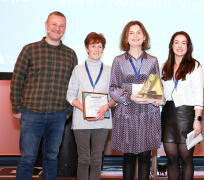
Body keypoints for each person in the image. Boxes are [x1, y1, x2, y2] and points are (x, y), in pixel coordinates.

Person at [10, 11, 78, 180]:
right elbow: (17, 80)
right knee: (27, 158)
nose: (58, 28)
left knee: (52, 158)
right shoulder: (29, 50)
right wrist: (17, 108)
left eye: (61, 25)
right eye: (54, 24)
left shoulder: (70, 54)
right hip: (31, 113)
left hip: (58, 114)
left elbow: (74, 86)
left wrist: (68, 111)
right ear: (46, 26)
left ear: (65, 29)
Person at [109, 21, 161, 180]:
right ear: (126, 38)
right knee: (129, 156)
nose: (135, 36)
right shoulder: (118, 60)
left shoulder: (153, 60)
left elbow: (157, 86)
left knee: (145, 156)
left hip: (147, 112)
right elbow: (112, 88)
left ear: (144, 37)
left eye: (139, 32)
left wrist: (157, 98)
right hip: (126, 111)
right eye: (131, 33)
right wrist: (128, 96)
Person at [66, 32, 116, 180]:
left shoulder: (109, 70)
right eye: (93, 46)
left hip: (102, 121)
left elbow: (115, 96)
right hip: (82, 121)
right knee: (83, 160)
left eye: (100, 46)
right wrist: (84, 109)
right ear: (86, 48)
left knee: (96, 160)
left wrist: (107, 105)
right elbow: (70, 95)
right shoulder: (78, 69)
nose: (96, 49)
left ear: (103, 49)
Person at [161, 31, 204, 180]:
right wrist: (155, 99)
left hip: (187, 115)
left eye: (183, 43)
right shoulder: (164, 67)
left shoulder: (195, 66)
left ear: (188, 46)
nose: (180, 46)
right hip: (168, 114)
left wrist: (197, 119)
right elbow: (162, 94)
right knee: (171, 158)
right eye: (176, 42)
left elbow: (199, 94)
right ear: (171, 45)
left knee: (186, 158)